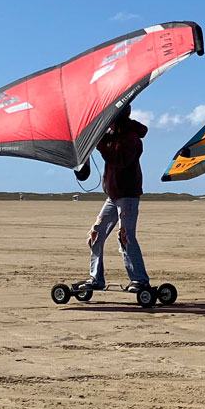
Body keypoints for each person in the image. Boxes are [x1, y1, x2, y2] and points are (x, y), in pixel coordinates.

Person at [82, 105, 151, 292]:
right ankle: (96, 278)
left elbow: (120, 160)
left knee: (126, 236)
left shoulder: (130, 137)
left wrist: (100, 146)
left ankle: (139, 279)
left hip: (127, 195)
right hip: (113, 196)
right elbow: (98, 140)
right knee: (96, 233)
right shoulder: (114, 134)